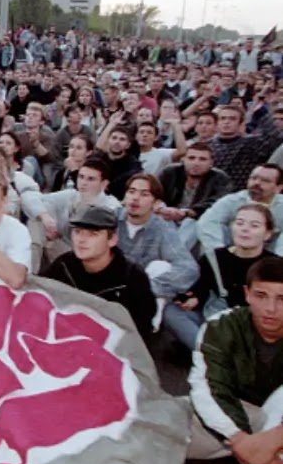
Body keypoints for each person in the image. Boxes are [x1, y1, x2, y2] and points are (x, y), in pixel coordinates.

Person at [187, 257, 283, 464]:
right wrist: (242, 442)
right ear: (247, 293)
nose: (270, 308)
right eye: (261, 295)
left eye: (282, 299)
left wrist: (274, 439)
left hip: (279, 426)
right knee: (159, 421)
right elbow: (208, 388)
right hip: (235, 420)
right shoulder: (221, 325)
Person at [167, 204, 279, 351]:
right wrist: (194, 297)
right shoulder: (215, 257)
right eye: (239, 223)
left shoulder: (274, 266)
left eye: (254, 225)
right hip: (216, 320)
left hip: (253, 325)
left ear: (267, 234)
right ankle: (208, 351)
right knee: (172, 313)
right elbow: (201, 288)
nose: (245, 229)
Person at [41, 205, 156, 338]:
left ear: (112, 240)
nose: (81, 240)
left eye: (93, 234)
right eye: (77, 231)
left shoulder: (132, 277)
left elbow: (141, 329)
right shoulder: (64, 264)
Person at [116, 174, 200, 329]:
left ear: (156, 203)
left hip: (142, 294)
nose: (135, 198)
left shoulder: (163, 228)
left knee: (160, 266)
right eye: (132, 191)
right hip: (109, 285)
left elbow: (188, 268)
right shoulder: (111, 219)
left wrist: (146, 286)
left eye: (144, 194)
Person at [157, 142, 233, 250]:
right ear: (183, 159)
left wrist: (187, 213)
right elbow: (154, 193)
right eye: (191, 158)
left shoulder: (220, 178)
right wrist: (161, 208)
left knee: (191, 223)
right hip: (167, 217)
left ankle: (176, 254)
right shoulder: (169, 172)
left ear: (211, 163)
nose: (196, 163)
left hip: (198, 222)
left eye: (202, 159)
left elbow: (218, 203)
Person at [199, 164, 283, 255]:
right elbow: (207, 222)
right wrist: (220, 252)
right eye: (253, 178)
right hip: (232, 250)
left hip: (270, 254)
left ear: (279, 188)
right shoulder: (233, 200)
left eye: (265, 181)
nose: (257, 183)